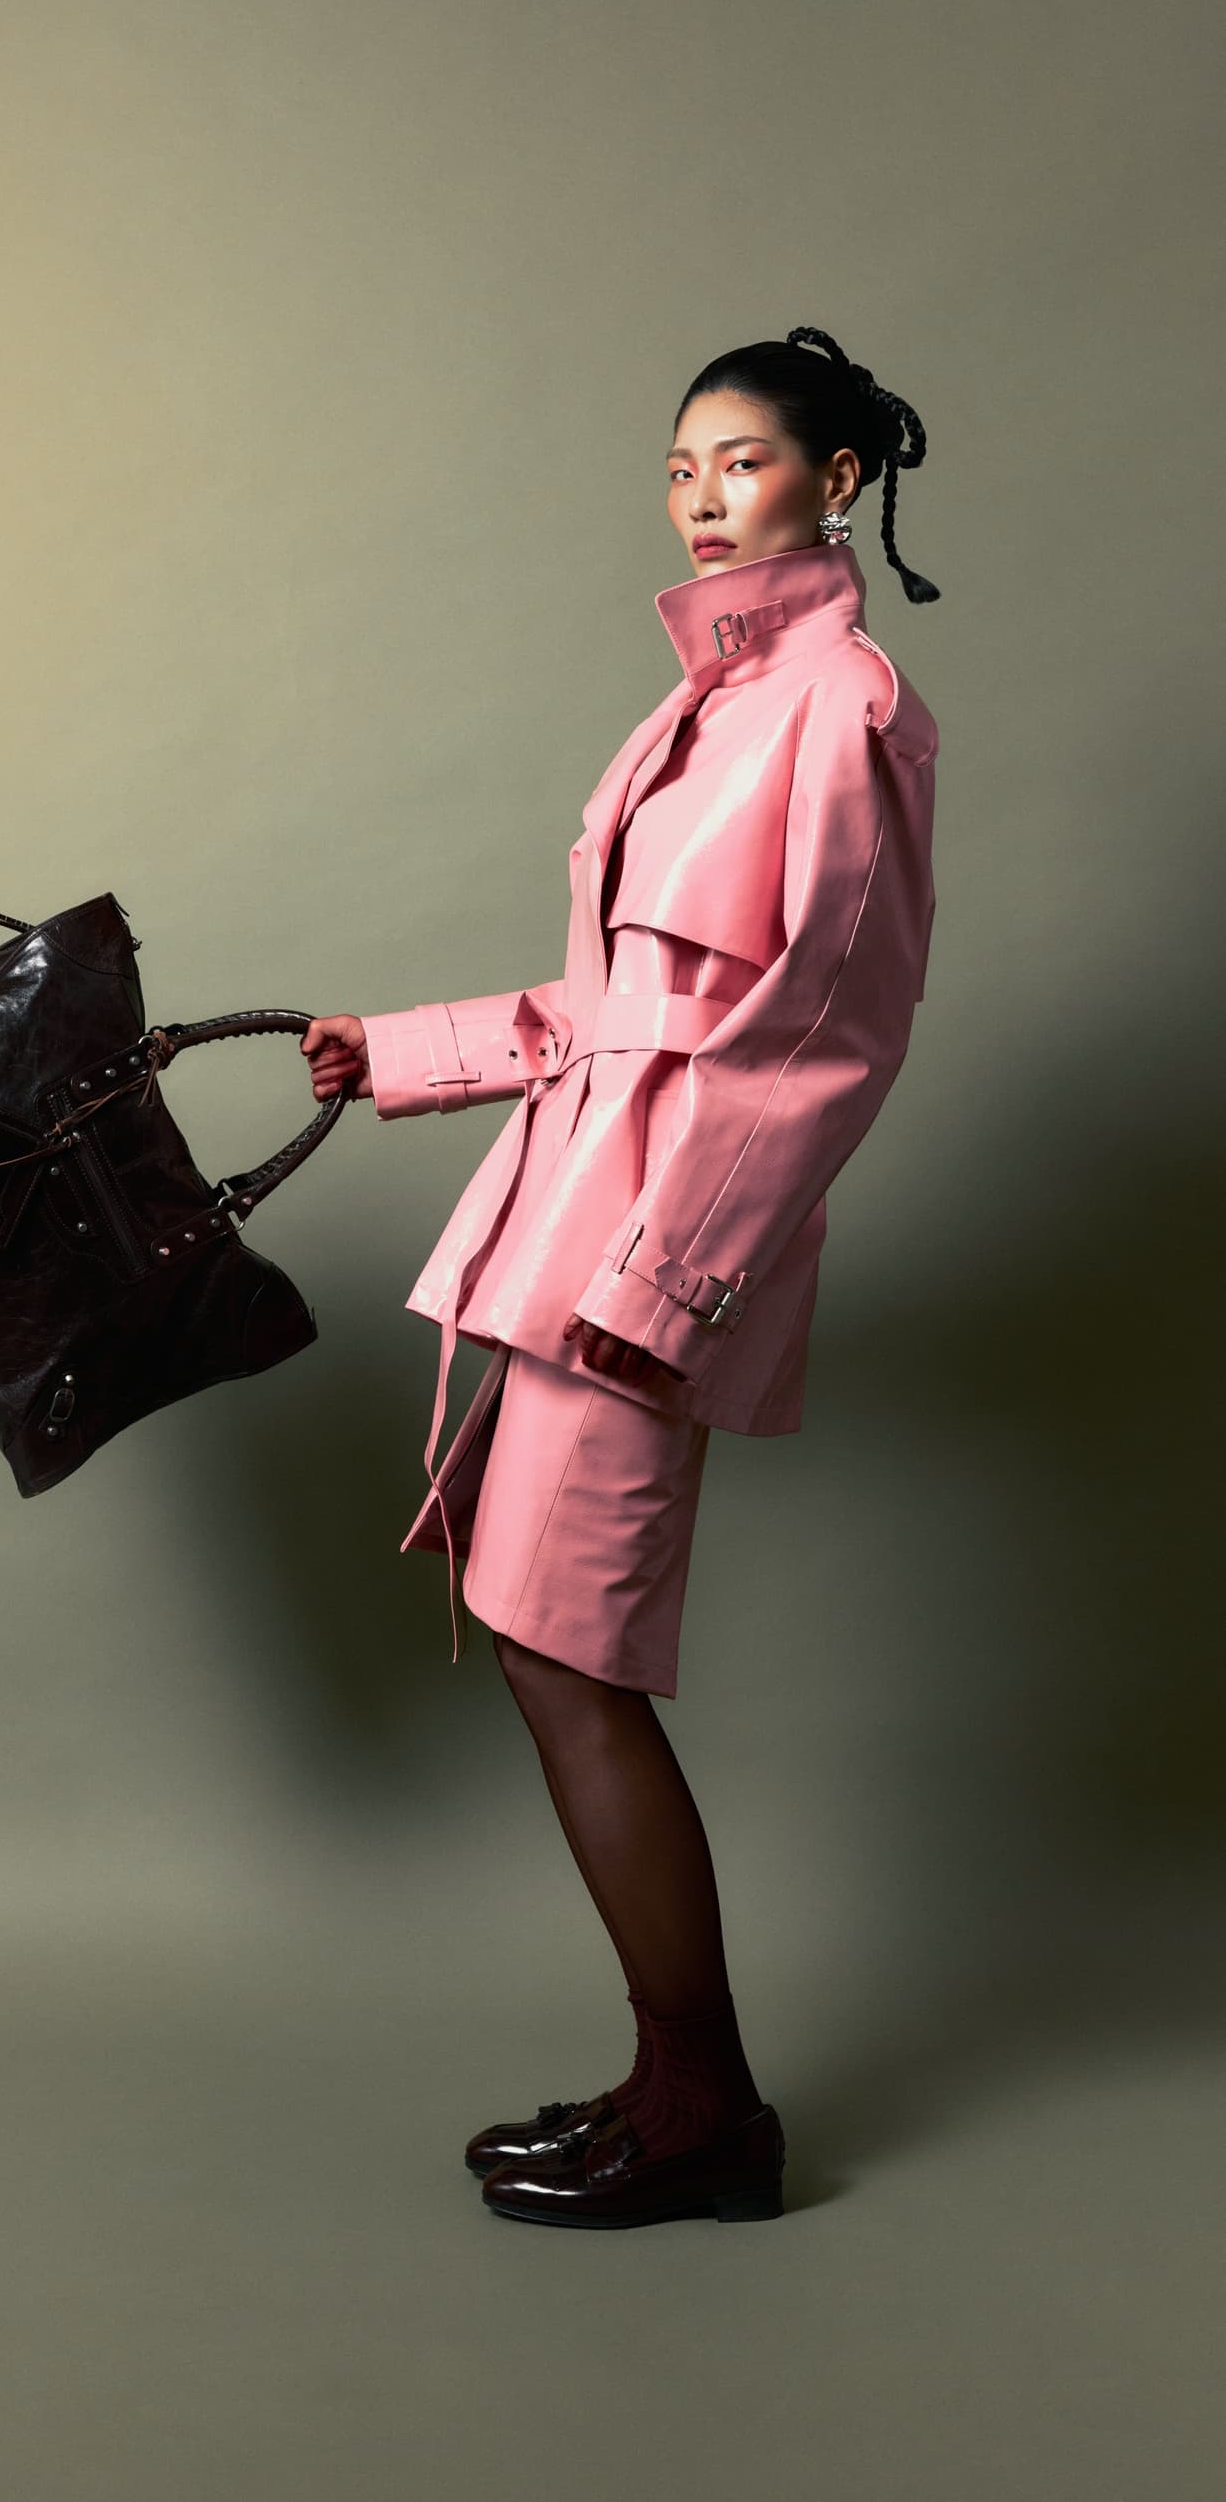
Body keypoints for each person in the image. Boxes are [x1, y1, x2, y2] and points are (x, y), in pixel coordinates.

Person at [300, 326, 941, 2230]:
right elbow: (618, 1005)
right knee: (540, 1641)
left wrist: (665, 1284)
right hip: (572, 1223)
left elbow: (825, 1041)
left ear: (836, 480)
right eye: (680, 468)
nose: (702, 497)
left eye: (742, 461)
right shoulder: (706, 709)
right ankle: (679, 2087)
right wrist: (401, 1051)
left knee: (570, 1654)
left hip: (646, 1258)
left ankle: (708, 2113)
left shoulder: (841, 710)